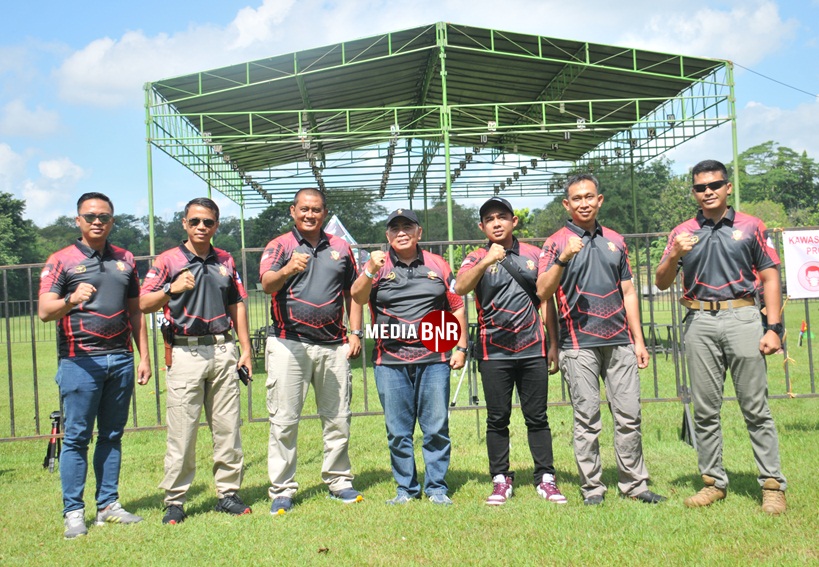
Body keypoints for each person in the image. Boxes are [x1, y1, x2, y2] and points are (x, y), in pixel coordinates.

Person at [655, 159, 787, 515]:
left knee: (755, 407)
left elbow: (770, 276)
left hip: (743, 316)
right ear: (694, 192)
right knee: (705, 410)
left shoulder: (751, 226)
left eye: (715, 185)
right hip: (699, 321)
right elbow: (661, 281)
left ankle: (772, 485)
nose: (708, 191)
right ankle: (713, 482)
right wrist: (676, 253)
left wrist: (773, 328)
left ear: (728, 187)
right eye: (700, 187)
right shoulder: (682, 231)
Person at [537, 173, 666, 506]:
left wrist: (638, 340)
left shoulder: (616, 241)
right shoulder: (555, 243)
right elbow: (543, 293)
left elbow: (629, 291)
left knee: (629, 415)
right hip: (576, 344)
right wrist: (564, 258)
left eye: (589, 196)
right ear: (567, 204)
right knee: (587, 419)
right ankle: (592, 488)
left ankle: (635, 484)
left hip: (619, 340)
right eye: (576, 198)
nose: (584, 203)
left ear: (599, 200)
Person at [38, 192, 151, 539]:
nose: (97, 221)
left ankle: (108, 506)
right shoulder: (61, 261)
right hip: (79, 361)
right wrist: (71, 299)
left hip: (120, 358)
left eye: (104, 216)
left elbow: (135, 310)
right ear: (78, 220)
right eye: (90, 216)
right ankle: (74, 512)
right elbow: (44, 311)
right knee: (76, 439)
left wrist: (143, 355)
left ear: (113, 221)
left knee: (113, 435)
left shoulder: (126, 259)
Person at [140, 197, 253, 524]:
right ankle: (175, 500)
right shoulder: (168, 261)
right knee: (182, 431)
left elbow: (238, 305)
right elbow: (145, 302)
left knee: (228, 427)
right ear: (184, 224)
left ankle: (228, 493)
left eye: (208, 222)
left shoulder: (226, 260)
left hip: (222, 348)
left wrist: (245, 349)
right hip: (185, 351)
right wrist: (171, 289)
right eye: (195, 222)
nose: (201, 227)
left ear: (216, 225)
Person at [454, 197, 567, 506]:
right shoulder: (475, 256)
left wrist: (554, 344)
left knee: (537, 417)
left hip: (533, 349)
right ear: (482, 226)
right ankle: (500, 479)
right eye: (489, 219)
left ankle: (545, 478)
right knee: (497, 418)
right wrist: (487, 261)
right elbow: (460, 287)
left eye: (502, 216)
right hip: (494, 352)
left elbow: (548, 299)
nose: (496, 222)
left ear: (514, 221)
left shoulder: (535, 254)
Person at [351, 209, 467, 505]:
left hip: (434, 359)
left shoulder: (437, 264)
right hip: (389, 360)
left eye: (408, 227)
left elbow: (456, 305)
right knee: (398, 431)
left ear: (419, 233)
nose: (401, 232)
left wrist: (461, 347)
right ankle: (405, 489)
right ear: (387, 235)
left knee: (436, 427)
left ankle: (437, 488)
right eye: (395, 228)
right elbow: (357, 297)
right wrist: (369, 271)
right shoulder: (376, 265)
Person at [260, 188, 363, 514]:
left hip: (333, 345)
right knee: (284, 421)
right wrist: (289, 268)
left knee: (337, 419)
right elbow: (267, 284)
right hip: (289, 343)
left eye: (316, 210)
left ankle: (339, 481)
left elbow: (354, 292)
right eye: (304, 209)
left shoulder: (341, 247)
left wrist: (355, 332)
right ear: (293, 211)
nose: (310, 215)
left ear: (324, 212)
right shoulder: (280, 245)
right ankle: (282, 489)